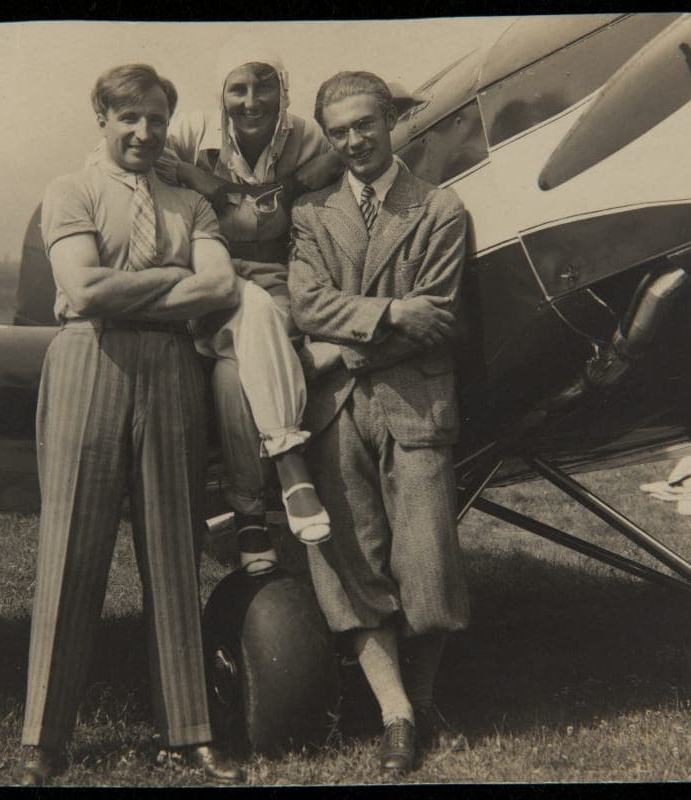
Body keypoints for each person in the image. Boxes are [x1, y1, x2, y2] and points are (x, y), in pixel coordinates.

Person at [16, 63, 245, 786]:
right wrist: (174, 287)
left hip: (172, 373)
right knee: (71, 550)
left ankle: (189, 733)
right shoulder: (71, 190)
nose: (145, 132)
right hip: (89, 363)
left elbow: (221, 286)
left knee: (173, 549)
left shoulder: (190, 205)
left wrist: (129, 295)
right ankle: (44, 741)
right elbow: (81, 287)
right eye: (130, 119)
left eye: (156, 119)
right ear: (104, 120)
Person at [288, 71, 471, 774]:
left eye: (366, 124)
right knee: (352, 565)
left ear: (391, 122)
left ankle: (420, 701)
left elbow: (441, 318)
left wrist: (338, 347)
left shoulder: (439, 208)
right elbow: (307, 304)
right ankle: (397, 713)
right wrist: (392, 312)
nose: (354, 141)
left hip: (416, 407)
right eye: (339, 131)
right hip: (334, 414)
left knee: (428, 568)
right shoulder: (312, 214)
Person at [152, 37, 344, 575]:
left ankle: (249, 515)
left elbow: (363, 132)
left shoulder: (304, 135)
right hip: (210, 280)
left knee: (235, 373)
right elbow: (121, 151)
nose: (252, 101)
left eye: (266, 86)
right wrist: (201, 180)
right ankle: (289, 463)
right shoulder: (191, 131)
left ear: (284, 90)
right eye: (238, 88)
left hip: (279, 285)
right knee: (249, 306)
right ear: (221, 93)